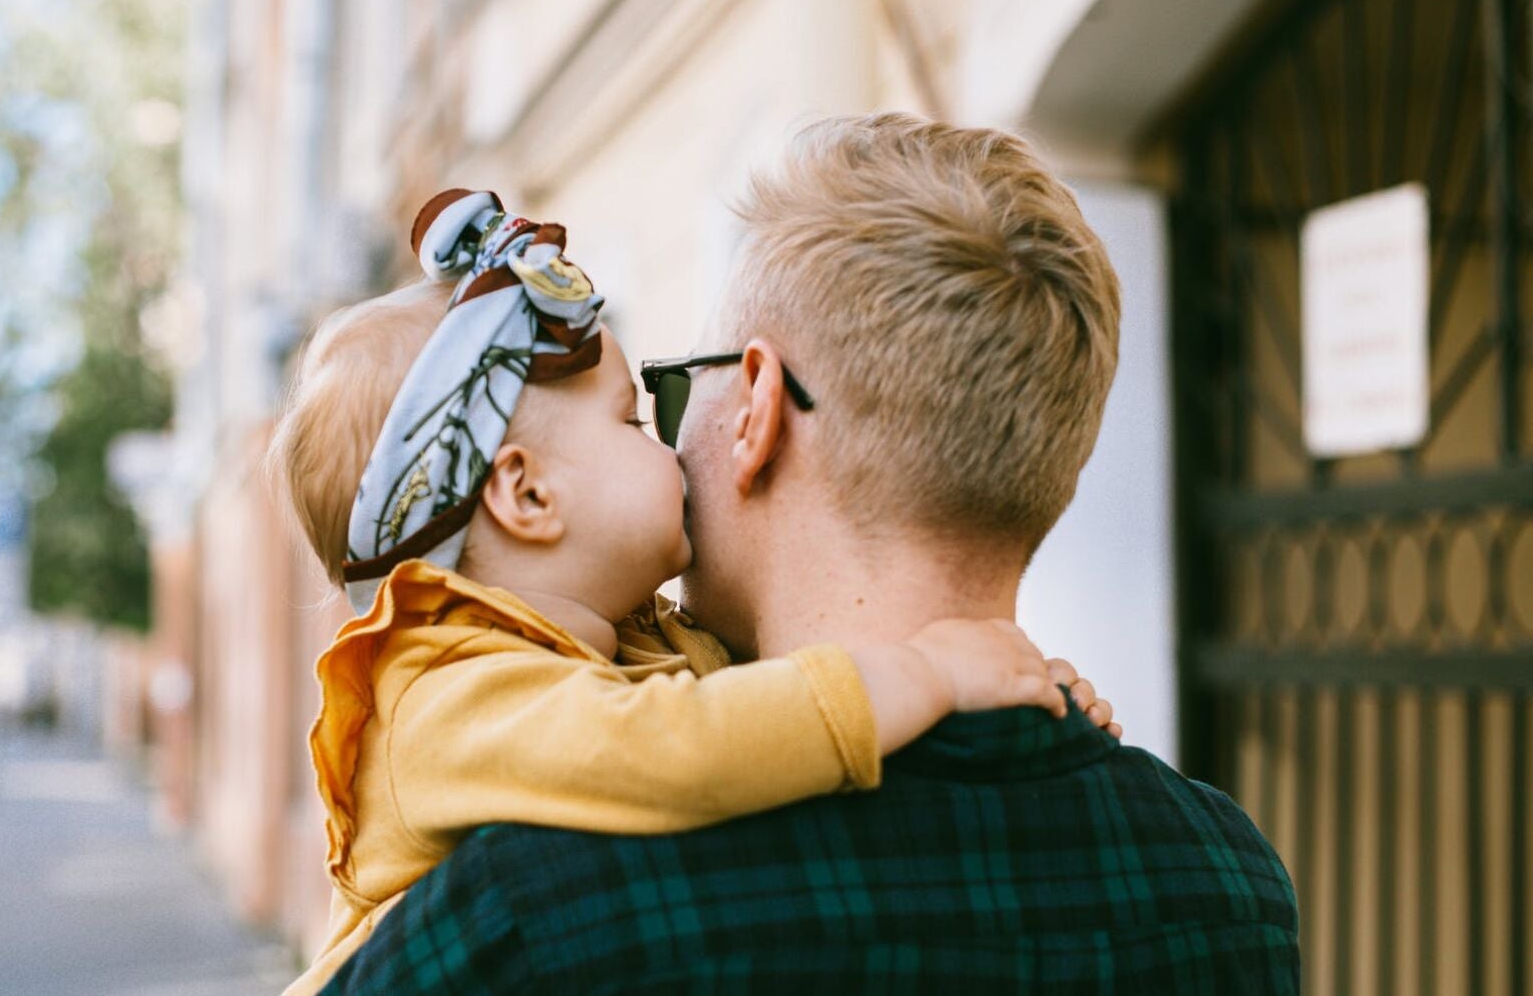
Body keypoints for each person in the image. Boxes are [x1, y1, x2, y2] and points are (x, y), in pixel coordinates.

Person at [319, 114, 1300, 994]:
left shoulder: (528, 911)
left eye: (665, 394)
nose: (665, 439)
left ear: (754, 407)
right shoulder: (1226, 876)